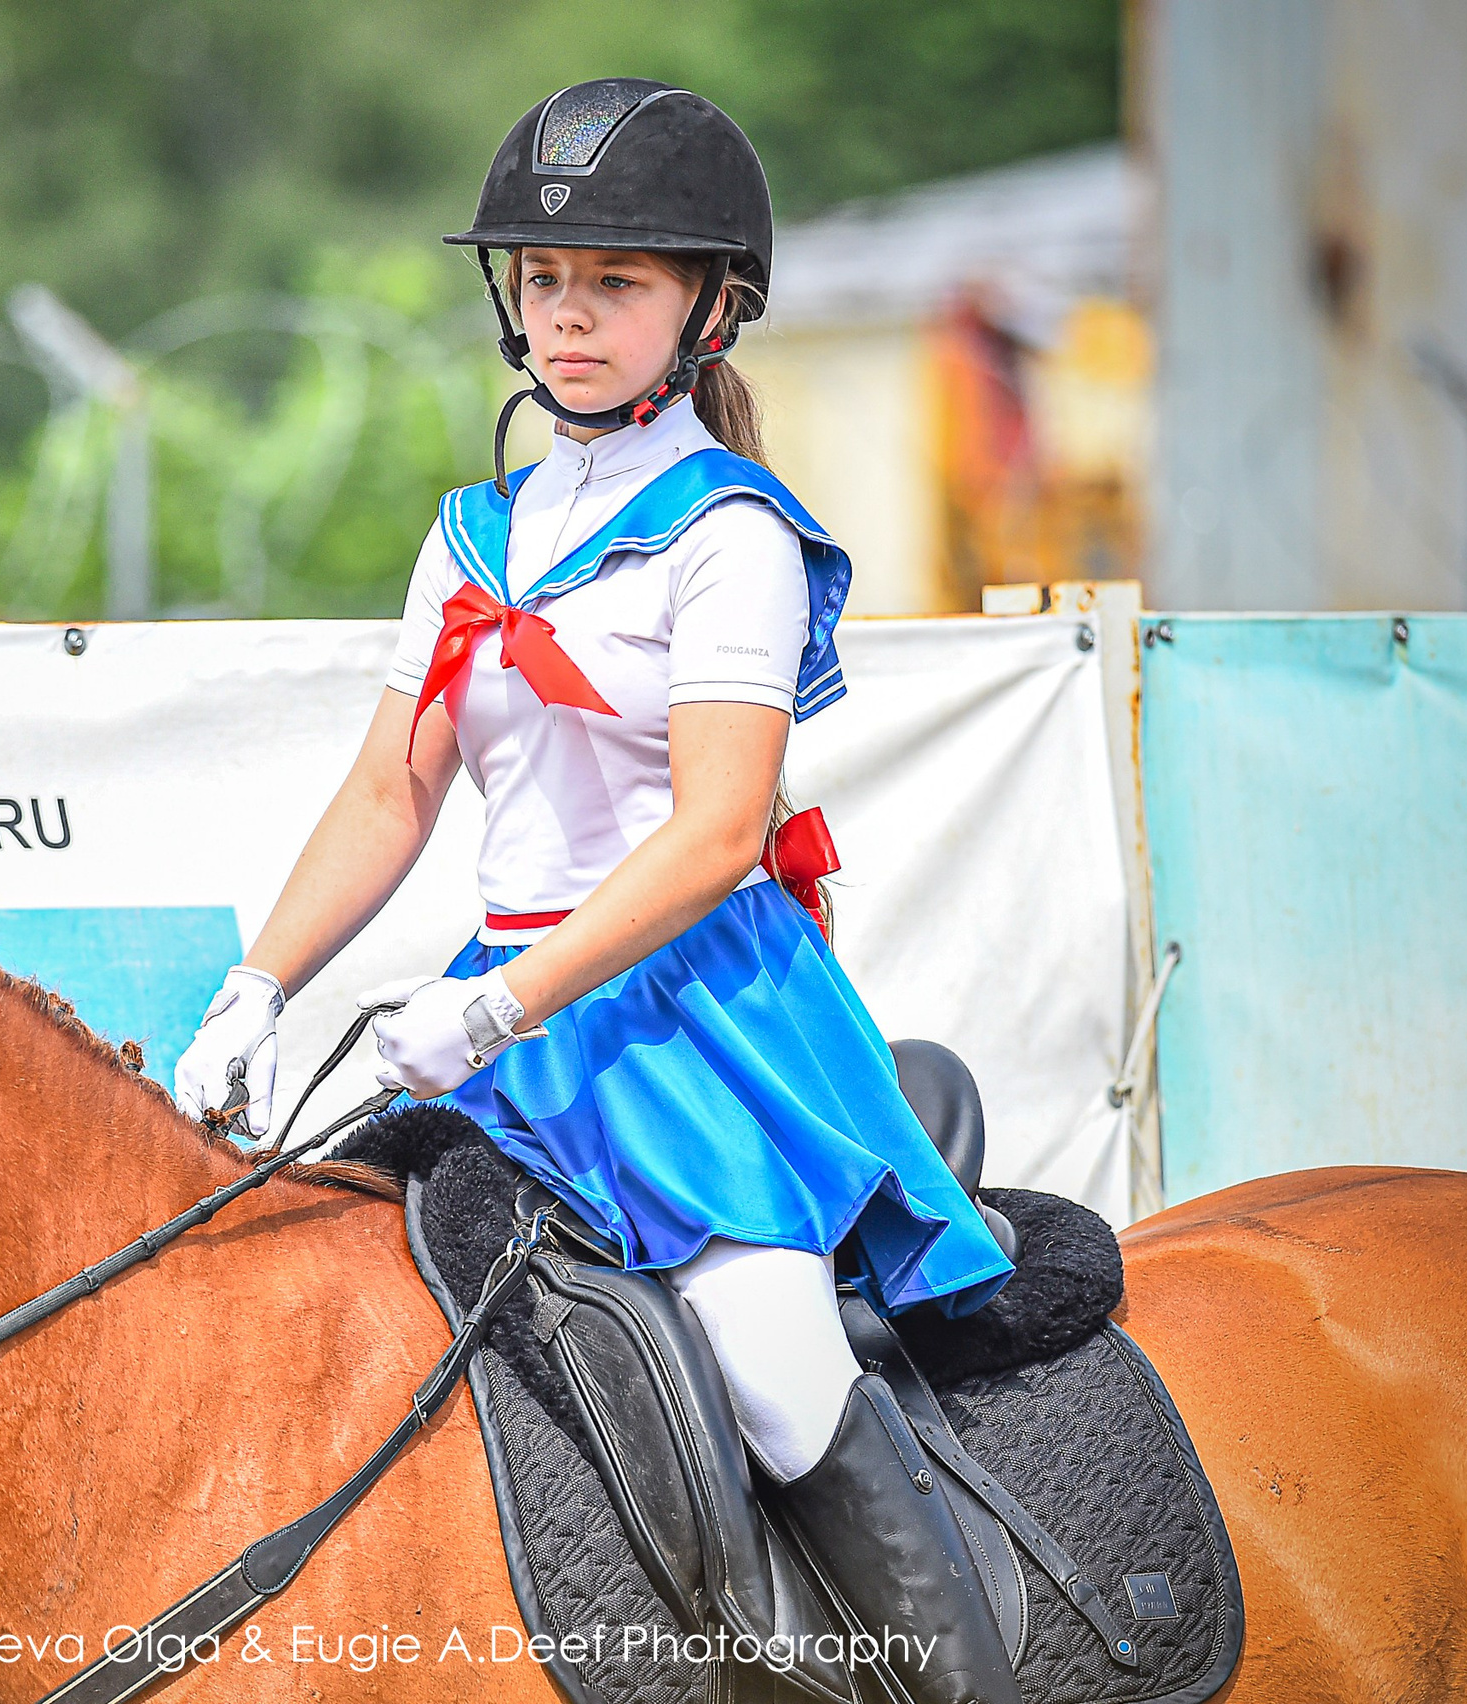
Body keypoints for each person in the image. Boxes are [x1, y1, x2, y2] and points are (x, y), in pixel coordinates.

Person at [174, 80, 1019, 1704]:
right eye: (546, 279)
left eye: (615, 282)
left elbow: (714, 835)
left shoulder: (731, 537)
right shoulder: (472, 537)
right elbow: (391, 792)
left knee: (773, 1370)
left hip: (688, 1019)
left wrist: (496, 1004)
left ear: (709, 308)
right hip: (509, 1020)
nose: (568, 313)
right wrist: (256, 989)